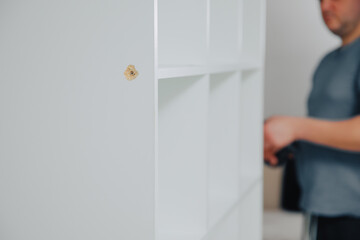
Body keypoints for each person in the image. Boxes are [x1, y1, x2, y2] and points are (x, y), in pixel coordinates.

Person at [263, 0, 360, 239]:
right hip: (319, 208)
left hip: (352, 216)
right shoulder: (328, 62)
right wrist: (290, 145)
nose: (326, 5)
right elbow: (326, 131)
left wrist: (295, 128)